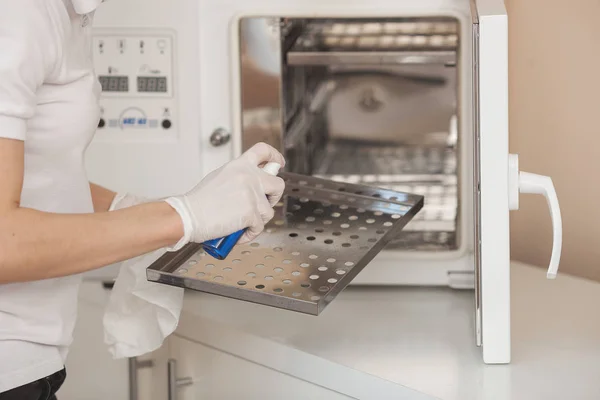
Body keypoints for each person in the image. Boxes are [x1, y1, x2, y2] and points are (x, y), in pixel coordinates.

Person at [0, 0, 286, 398]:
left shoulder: (70, 12)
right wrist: (181, 216)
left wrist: (132, 209)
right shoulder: (18, 12)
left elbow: (40, 175)